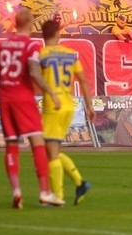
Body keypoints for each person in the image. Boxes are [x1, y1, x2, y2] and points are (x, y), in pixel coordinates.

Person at [0, 8, 64, 208]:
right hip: (22, 95)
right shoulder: (31, 45)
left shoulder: (3, 44)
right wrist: (51, 93)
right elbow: (34, 72)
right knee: (37, 142)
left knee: (11, 144)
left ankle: (16, 191)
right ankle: (44, 192)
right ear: (30, 23)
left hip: (4, 95)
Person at [39, 19, 95, 205]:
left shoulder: (42, 55)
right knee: (54, 150)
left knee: (51, 154)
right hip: (68, 106)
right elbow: (83, 80)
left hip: (52, 106)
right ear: (57, 34)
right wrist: (89, 105)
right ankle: (80, 183)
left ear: (43, 35)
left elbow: (35, 80)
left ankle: (58, 196)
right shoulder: (71, 55)